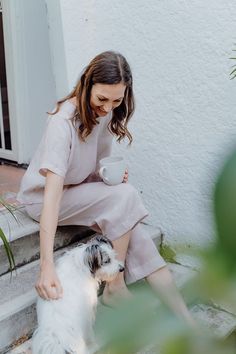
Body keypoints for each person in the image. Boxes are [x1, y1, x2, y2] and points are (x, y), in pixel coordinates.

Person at [17, 50, 193, 325]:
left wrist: (108, 180)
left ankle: (187, 322)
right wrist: (46, 266)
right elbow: (51, 199)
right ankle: (115, 286)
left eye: (117, 100)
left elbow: (94, 170)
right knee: (126, 197)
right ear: (88, 84)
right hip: (41, 200)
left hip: (75, 192)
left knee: (138, 234)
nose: (108, 107)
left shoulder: (104, 116)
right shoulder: (62, 122)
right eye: (102, 99)